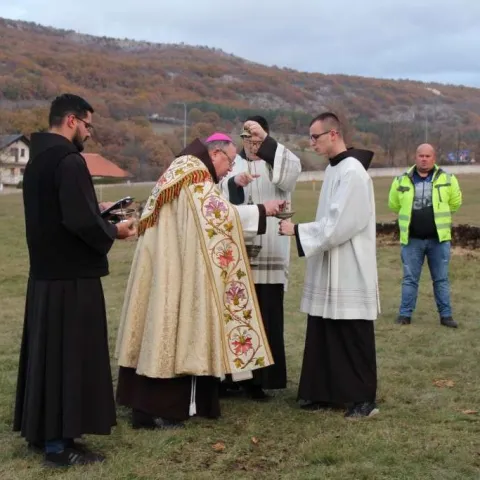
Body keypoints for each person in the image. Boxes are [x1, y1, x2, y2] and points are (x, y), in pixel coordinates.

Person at [115, 133, 286, 429]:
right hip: (175, 268)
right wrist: (261, 210)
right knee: (170, 330)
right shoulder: (195, 175)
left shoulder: (182, 168)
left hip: (166, 262)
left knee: (157, 329)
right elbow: (219, 217)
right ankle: (159, 408)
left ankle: (149, 405)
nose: (230, 169)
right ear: (216, 154)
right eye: (230, 161)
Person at [13, 93, 137, 467]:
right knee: (69, 357)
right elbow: (80, 222)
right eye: (88, 124)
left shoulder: (37, 162)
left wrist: (95, 211)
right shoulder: (69, 161)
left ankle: (44, 434)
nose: (89, 132)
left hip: (46, 276)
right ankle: (58, 446)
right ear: (71, 120)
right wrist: (115, 230)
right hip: (71, 277)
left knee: (48, 357)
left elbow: (61, 212)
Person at [279, 112, 380, 418]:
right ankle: (322, 391)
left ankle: (362, 398)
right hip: (329, 261)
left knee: (351, 331)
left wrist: (298, 230)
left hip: (349, 262)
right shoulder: (335, 170)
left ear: (334, 134)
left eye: (316, 137)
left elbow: (340, 224)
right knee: (324, 326)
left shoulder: (353, 173)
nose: (312, 143)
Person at [219, 116, 301, 399]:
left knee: (267, 316)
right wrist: (235, 184)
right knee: (237, 314)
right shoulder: (234, 164)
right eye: (247, 137)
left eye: (256, 138)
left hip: (270, 249)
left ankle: (261, 380)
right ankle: (233, 378)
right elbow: (218, 198)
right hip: (238, 252)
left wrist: (266, 142)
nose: (251, 144)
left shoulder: (276, 160)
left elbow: (291, 172)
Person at [388, 143, 462, 328]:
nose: (424, 159)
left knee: (441, 279)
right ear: (415, 157)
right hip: (412, 240)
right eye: (421, 155)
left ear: (434, 158)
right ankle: (405, 315)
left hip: (439, 240)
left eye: (428, 156)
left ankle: (446, 316)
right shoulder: (401, 180)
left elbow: (455, 203)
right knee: (410, 279)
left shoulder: (448, 179)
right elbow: (393, 204)